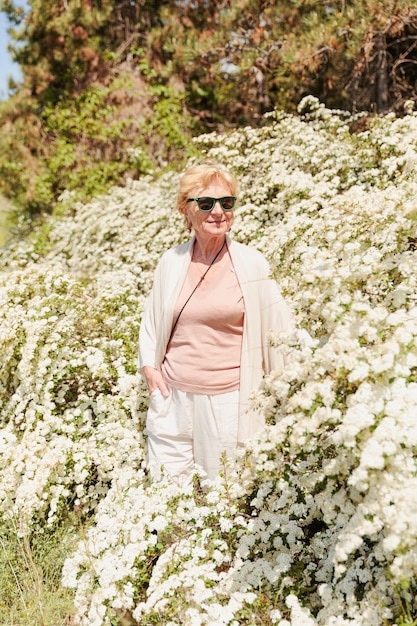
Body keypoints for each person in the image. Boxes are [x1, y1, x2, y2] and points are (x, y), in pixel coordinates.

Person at [138, 160, 295, 484]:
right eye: (206, 203)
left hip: (227, 400)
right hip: (173, 396)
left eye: (227, 203)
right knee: (168, 493)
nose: (218, 212)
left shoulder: (251, 264)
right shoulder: (172, 261)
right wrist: (149, 369)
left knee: (224, 492)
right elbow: (152, 321)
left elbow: (281, 329)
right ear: (186, 210)